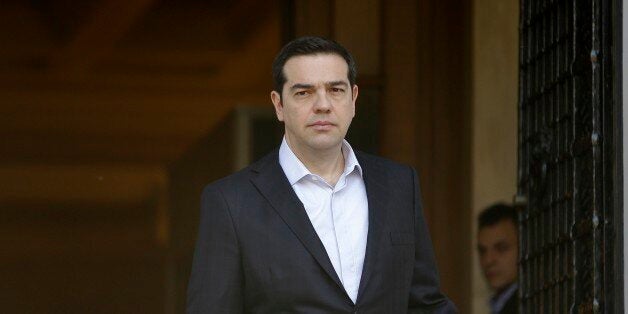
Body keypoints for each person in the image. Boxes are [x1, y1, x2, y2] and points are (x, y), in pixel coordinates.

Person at [186, 36, 456, 313]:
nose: (323, 105)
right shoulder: (231, 201)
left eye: (335, 90)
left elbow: (425, 304)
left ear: (353, 99)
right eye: (304, 92)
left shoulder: (399, 184)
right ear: (279, 105)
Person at [477, 203, 519, 314]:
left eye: (501, 248)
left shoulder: (530, 304)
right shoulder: (501, 304)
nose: (488, 260)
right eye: (482, 251)